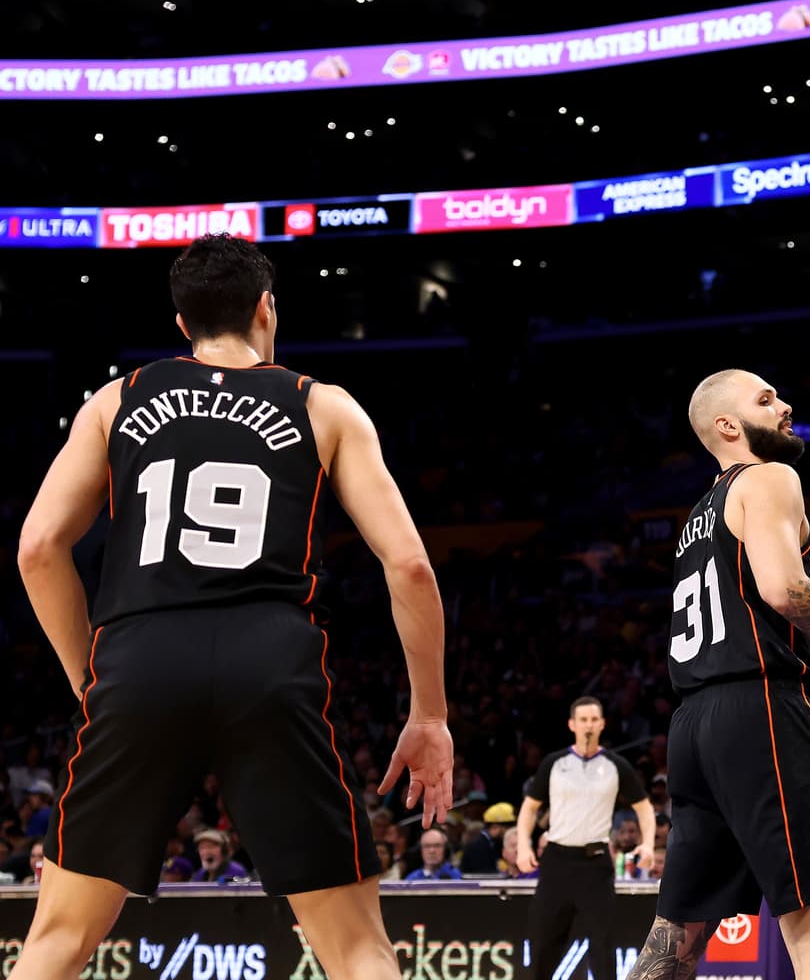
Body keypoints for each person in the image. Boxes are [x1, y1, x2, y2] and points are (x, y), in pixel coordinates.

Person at [10, 235, 452, 980]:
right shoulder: (325, 405)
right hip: (270, 660)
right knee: (355, 949)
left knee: (56, 939)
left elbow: (38, 547)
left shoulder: (117, 399)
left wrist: (89, 674)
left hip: (139, 656)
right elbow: (408, 563)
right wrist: (430, 714)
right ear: (265, 309)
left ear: (181, 324)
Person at [634, 370, 810, 980]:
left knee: (676, 937)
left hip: (694, 728)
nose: (786, 405)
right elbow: (786, 590)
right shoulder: (769, 477)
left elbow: (740, 634)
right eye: (766, 399)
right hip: (760, 718)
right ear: (728, 426)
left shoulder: (696, 520)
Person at [516, 696, 651, 980]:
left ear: (602, 724)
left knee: (603, 948)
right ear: (572, 724)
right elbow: (529, 808)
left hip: (596, 865)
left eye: (593, 720)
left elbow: (644, 807)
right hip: (557, 863)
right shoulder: (554, 763)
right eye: (583, 720)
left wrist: (648, 843)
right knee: (542, 947)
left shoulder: (616, 765)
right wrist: (523, 845)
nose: (588, 725)